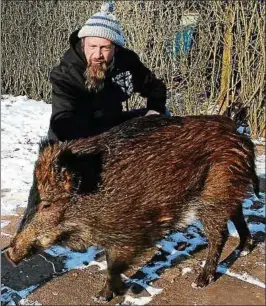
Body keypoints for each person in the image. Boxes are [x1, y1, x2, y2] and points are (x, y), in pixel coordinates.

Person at [48, 2, 167, 142]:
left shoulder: (126, 62)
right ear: (83, 44)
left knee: (165, 121)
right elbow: (63, 121)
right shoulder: (66, 75)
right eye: (92, 46)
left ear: (115, 48)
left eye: (104, 48)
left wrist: (156, 111)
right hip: (74, 137)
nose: (97, 54)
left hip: (114, 126)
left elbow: (156, 87)